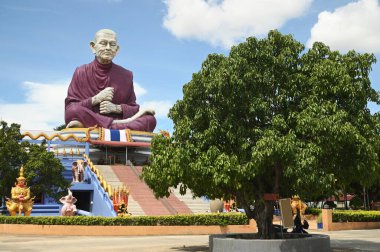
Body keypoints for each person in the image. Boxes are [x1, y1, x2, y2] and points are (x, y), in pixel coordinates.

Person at [65, 29, 156, 132]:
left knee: (150, 120)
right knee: (73, 111)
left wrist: (116, 108)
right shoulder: (81, 71)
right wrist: (96, 99)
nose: (108, 48)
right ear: (93, 46)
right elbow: (71, 107)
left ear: (117, 50)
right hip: (93, 117)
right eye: (103, 43)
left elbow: (134, 109)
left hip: (109, 121)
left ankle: (103, 127)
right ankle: (114, 128)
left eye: (112, 44)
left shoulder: (126, 75)